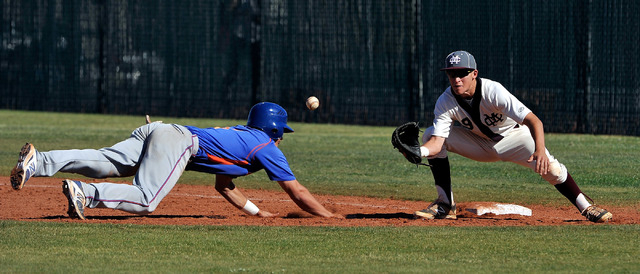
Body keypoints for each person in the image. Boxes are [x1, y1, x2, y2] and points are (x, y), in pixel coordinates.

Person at [10, 102, 339, 220]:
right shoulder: (266, 145)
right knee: (145, 201)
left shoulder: (243, 136)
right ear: (274, 129)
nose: (281, 137)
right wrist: (329, 216)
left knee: (108, 162)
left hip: (162, 130)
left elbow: (223, 184)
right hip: (180, 141)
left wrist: (257, 211)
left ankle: (38, 162)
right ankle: (86, 194)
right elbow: (298, 193)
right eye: (281, 131)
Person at [413, 50, 612, 223]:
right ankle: (445, 204)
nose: (456, 79)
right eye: (451, 73)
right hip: (480, 144)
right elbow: (437, 142)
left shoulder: (493, 91)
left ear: (474, 74)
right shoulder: (445, 101)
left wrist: (540, 150)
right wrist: (418, 151)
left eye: (462, 73)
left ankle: (586, 207)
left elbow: (534, 120)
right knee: (430, 133)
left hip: (514, 138)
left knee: (551, 169)